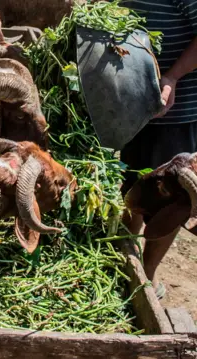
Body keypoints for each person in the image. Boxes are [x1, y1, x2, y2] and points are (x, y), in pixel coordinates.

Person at [120, 0, 197, 299]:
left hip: (176, 111)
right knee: (133, 184)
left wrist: (172, 77)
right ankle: (126, 259)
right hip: (134, 106)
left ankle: (147, 277)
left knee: (170, 196)